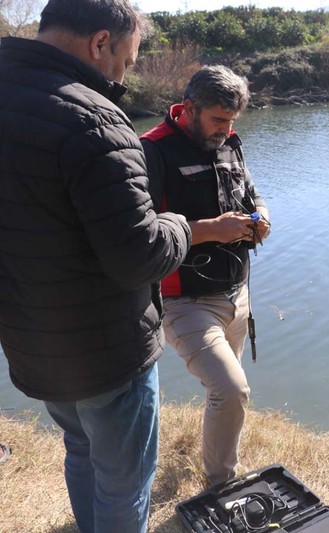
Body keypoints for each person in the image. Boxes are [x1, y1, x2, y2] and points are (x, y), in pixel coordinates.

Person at [0, 0, 192, 531]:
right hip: (105, 349)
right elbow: (140, 256)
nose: (123, 74)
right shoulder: (94, 118)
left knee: (81, 451)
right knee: (124, 482)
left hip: (30, 337)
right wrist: (182, 226)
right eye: (127, 61)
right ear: (100, 43)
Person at [141, 65, 271, 487]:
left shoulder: (231, 141)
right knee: (231, 390)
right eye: (218, 120)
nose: (225, 130)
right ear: (190, 109)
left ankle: (215, 457)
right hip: (182, 300)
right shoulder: (151, 151)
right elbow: (142, 234)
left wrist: (261, 217)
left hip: (236, 295)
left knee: (224, 391)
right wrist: (214, 229)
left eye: (232, 121)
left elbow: (252, 194)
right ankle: (221, 485)